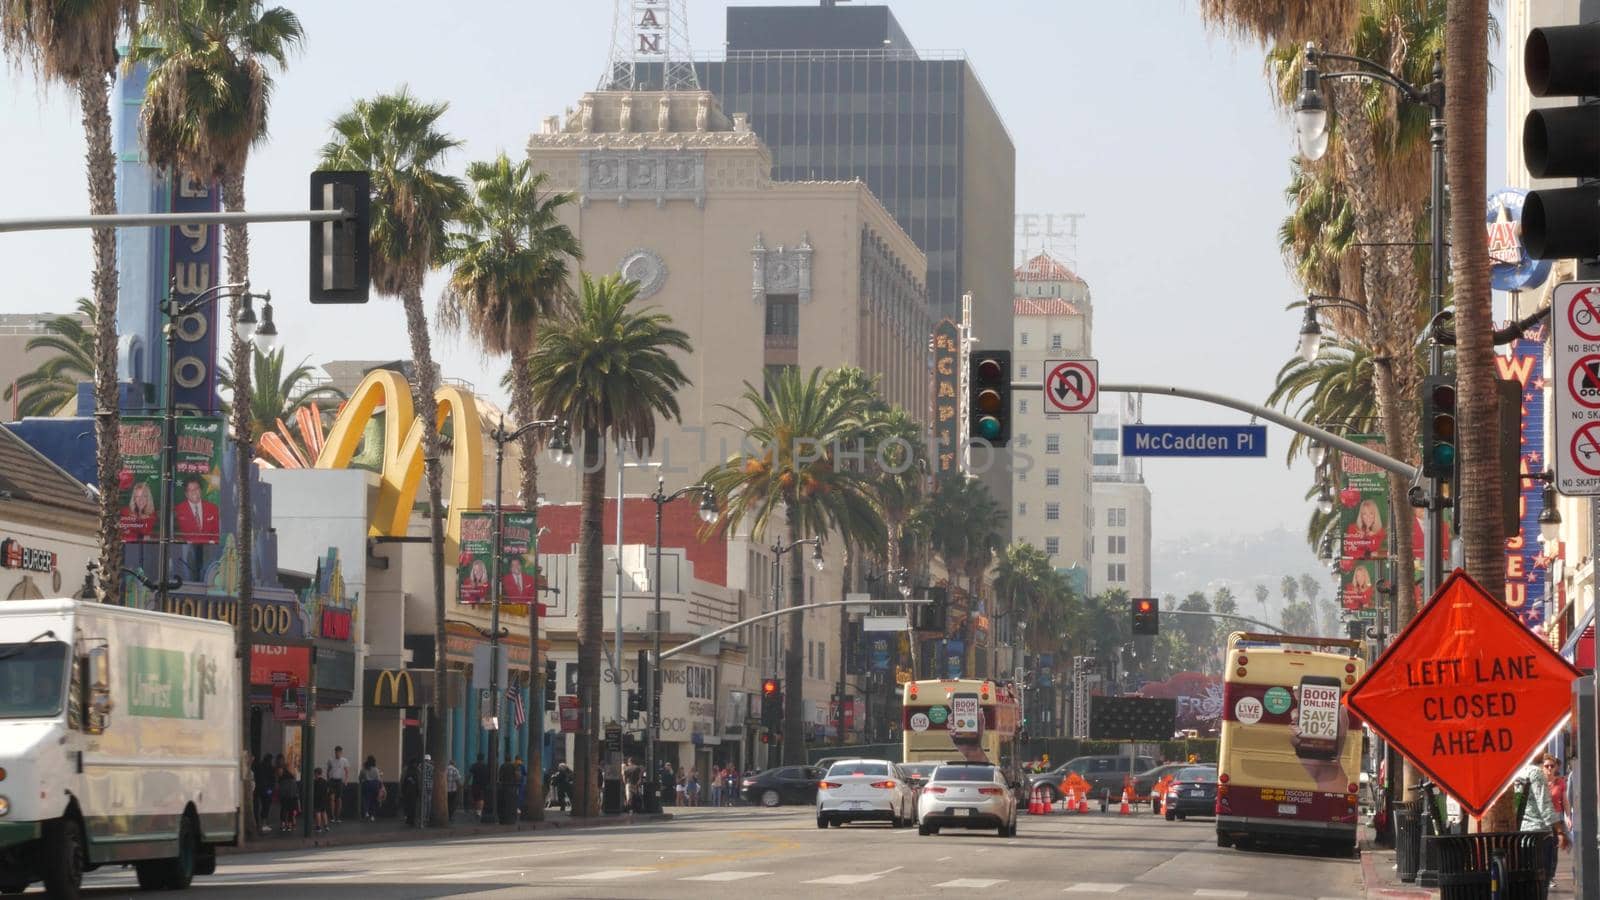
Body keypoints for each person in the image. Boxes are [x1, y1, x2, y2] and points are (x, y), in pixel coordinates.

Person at [1520, 753, 1569, 888]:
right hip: (1539, 833)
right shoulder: (1536, 773)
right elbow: (1545, 806)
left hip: (1523, 833)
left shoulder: (1519, 772)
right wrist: (1560, 831)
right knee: (1542, 878)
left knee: (1527, 877)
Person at [173, 475, 220, 543]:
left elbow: (217, 532)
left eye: (196, 489)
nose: (193, 492)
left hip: (210, 548)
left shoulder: (213, 508)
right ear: (186, 494)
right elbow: (175, 535)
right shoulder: (177, 510)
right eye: (190, 490)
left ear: (201, 490)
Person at [325, 745, 351, 824]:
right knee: (331, 798)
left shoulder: (344, 760)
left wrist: (346, 780)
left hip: (339, 781)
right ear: (335, 752)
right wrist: (328, 780)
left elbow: (346, 771)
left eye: (339, 752)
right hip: (332, 780)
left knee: (339, 799)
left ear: (341, 753)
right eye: (337, 752)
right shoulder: (330, 760)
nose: (338, 754)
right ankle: (332, 816)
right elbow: (328, 770)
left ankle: (338, 816)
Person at [253, 753, 276, 831]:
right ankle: (263, 823)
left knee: (257, 806)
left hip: (259, 788)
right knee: (266, 806)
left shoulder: (259, 766)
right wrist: (270, 791)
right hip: (267, 790)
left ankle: (257, 823)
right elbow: (273, 780)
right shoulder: (271, 768)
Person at [359, 756, 383, 822]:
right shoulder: (376, 769)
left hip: (366, 784)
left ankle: (366, 812)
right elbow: (379, 779)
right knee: (373, 801)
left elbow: (360, 778)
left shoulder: (364, 769)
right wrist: (380, 787)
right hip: (375, 785)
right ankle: (372, 816)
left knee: (365, 799)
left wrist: (362, 782)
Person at [277, 764, 299, 833]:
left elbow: (279, 788)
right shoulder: (292, 778)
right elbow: (295, 788)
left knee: (284, 809)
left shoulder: (281, 778)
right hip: (292, 796)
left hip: (284, 796)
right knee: (291, 811)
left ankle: (283, 824)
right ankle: (289, 825)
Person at [312, 767, 330, 833]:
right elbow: (328, 790)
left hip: (317, 799)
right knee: (324, 812)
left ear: (316, 773)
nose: (314, 775)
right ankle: (326, 826)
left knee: (317, 812)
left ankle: (318, 827)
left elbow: (314, 791)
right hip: (324, 798)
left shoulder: (315, 782)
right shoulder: (325, 781)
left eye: (314, 774)